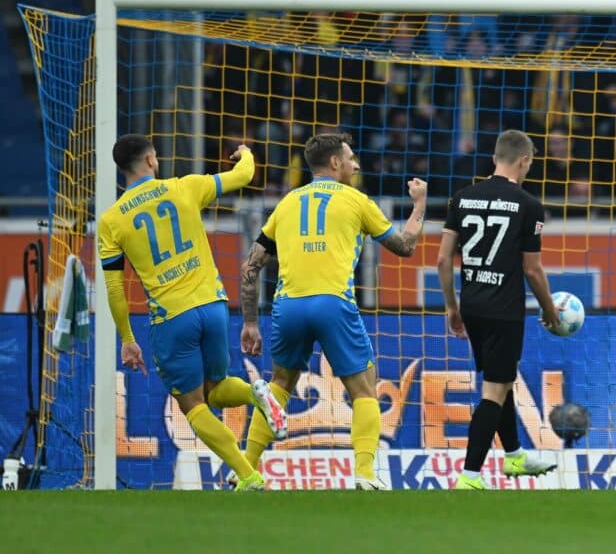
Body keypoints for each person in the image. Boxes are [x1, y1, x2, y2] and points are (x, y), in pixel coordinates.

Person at [237, 133, 427, 490]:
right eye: (351, 158)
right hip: (332, 304)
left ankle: (246, 470)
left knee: (279, 384)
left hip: (288, 305)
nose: (356, 165)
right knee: (365, 390)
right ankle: (365, 475)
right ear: (336, 163)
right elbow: (404, 247)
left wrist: (250, 321)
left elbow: (251, 265)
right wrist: (418, 205)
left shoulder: (288, 202)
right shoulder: (357, 200)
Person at [98, 134, 285, 492]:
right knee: (216, 390)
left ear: (123, 169)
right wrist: (245, 153)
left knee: (193, 404)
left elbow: (115, 288)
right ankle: (255, 393)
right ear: (151, 160)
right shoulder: (185, 187)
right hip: (213, 305)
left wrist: (127, 338)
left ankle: (247, 474)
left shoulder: (112, 220)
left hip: (172, 317)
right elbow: (243, 176)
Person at [436, 129, 561, 490]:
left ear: (494, 158)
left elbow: (443, 260)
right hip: (505, 310)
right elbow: (532, 269)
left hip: (472, 305)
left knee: (498, 379)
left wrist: (451, 306)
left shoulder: (462, 198)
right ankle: (470, 476)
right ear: (524, 160)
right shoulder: (528, 205)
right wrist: (550, 309)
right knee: (495, 389)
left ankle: (515, 457)